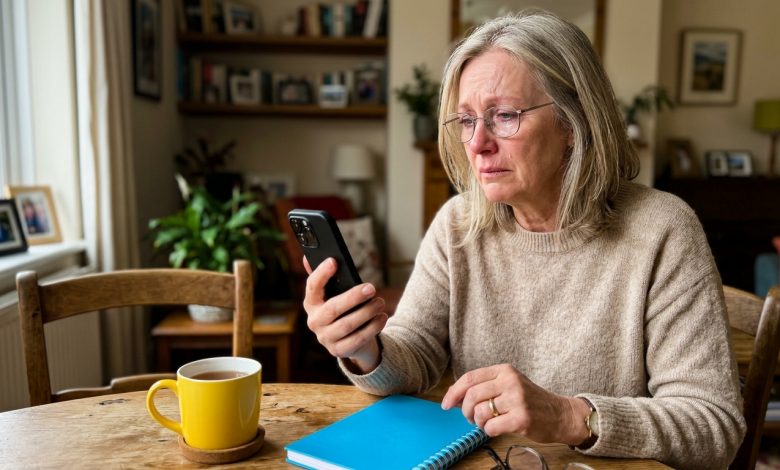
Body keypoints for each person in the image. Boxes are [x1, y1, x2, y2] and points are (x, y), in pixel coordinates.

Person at [301, 10, 744, 469]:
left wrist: (572, 415)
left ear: (574, 125)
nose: (477, 143)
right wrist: (361, 348)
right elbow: (413, 356)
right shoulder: (458, 224)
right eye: (467, 120)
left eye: (505, 116)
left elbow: (714, 429)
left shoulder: (662, 230)